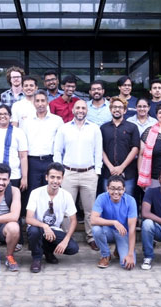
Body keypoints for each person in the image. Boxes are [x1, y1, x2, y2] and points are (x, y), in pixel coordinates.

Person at [53, 99, 103, 250]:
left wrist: (97, 172)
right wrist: (59, 172)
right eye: (78, 108)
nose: (80, 110)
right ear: (73, 110)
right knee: (66, 208)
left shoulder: (94, 128)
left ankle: (91, 237)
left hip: (89, 173)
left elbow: (98, 151)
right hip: (69, 173)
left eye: (83, 108)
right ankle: (66, 237)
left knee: (90, 209)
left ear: (87, 110)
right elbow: (57, 150)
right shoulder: (64, 128)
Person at [26, 163, 79, 273]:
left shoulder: (66, 195)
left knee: (73, 248)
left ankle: (48, 251)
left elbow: (73, 220)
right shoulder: (36, 193)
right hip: (38, 227)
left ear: (62, 179)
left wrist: (66, 240)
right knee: (34, 231)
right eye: (52, 177)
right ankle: (36, 258)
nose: (55, 181)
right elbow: (29, 219)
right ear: (46, 177)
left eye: (58, 178)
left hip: (55, 230)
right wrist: (44, 226)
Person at [21, 90, 64, 211]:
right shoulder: (26, 121)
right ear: (33, 103)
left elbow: (60, 144)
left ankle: (50, 220)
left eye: (43, 100)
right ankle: (32, 223)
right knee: (33, 192)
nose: (40, 104)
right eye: (37, 101)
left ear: (47, 101)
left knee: (50, 192)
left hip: (50, 161)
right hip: (32, 161)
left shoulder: (57, 120)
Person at [91, 175, 137, 270]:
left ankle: (119, 249)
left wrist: (130, 254)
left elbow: (132, 229)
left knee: (126, 265)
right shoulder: (101, 198)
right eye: (112, 188)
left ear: (124, 189)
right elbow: (93, 219)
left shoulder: (131, 201)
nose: (116, 192)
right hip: (108, 231)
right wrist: (114, 222)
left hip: (123, 233)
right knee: (96, 229)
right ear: (107, 188)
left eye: (119, 189)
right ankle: (105, 255)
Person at [100, 97, 140, 197]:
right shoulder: (103, 128)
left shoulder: (132, 127)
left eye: (120, 107)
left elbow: (135, 148)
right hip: (108, 172)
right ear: (110, 109)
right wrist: (111, 167)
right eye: (114, 107)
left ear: (125, 110)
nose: (117, 109)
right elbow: (100, 149)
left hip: (128, 172)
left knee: (128, 199)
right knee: (108, 200)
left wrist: (121, 167)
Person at [0, 105, 28, 192]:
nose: (2, 116)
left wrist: (24, 178)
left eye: (5, 114)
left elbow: (23, 157)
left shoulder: (18, 132)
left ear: (10, 116)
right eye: (0, 114)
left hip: (13, 176)